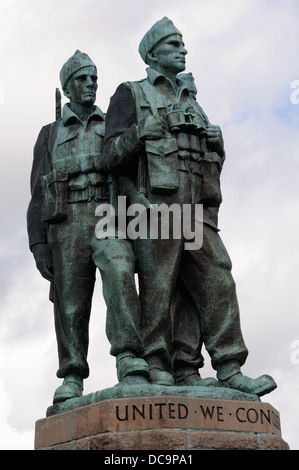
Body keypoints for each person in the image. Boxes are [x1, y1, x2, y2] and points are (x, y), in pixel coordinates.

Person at [101, 18, 277, 396]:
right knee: (159, 287)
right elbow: (109, 157)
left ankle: (228, 367)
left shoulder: (192, 100)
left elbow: (208, 158)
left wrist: (218, 142)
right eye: (173, 44)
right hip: (157, 206)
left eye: (183, 44)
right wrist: (136, 136)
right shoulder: (130, 93)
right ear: (152, 53)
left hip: (197, 209)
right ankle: (159, 363)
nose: (183, 49)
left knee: (217, 276)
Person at [27, 51, 149, 404]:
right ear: (67, 87)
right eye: (83, 79)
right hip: (65, 222)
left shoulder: (111, 123)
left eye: (94, 78)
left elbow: (128, 171)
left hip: (105, 214)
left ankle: (129, 358)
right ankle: (72, 374)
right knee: (70, 302)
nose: (91, 84)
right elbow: (37, 193)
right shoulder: (49, 134)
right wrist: (38, 244)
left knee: (121, 270)